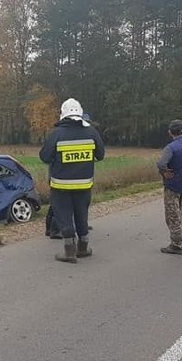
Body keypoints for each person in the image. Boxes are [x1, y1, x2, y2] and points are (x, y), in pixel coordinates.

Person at [39, 98, 105, 263]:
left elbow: (44, 157)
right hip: (84, 185)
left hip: (60, 186)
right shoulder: (91, 132)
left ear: (63, 114)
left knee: (64, 216)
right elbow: (101, 155)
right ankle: (83, 248)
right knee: (82, 215)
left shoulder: (57, 134)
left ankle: (69, 252)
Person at [156, 119, 182, 255]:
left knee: (172, 214)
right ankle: (181, 238)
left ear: (170, 132)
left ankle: (176, 243)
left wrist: (164, 172)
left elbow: (161, 163)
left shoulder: (171, 147)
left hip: (173, 184)